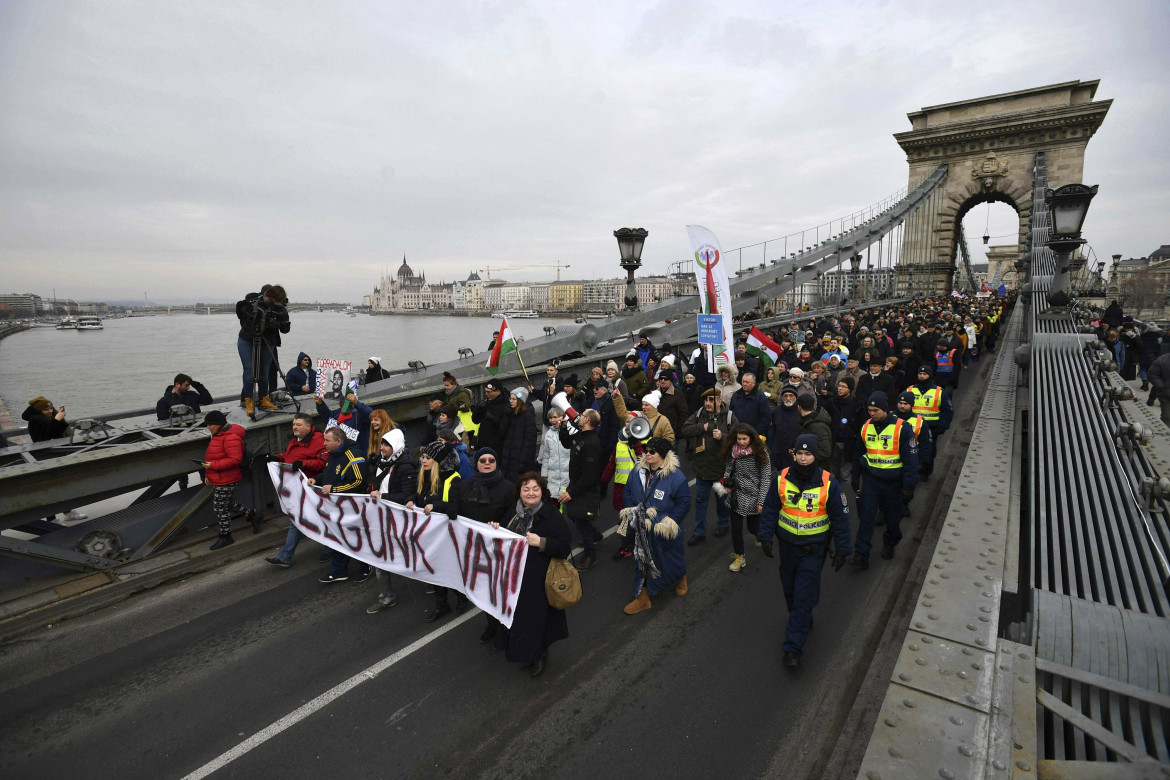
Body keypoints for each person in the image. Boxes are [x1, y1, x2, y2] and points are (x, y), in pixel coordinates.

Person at [758, 433, 851, 668]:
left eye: (807, 454)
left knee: (802, 596)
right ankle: (804, 615)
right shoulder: (780, 478)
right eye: (799, 453)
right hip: (787, 548)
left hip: (813, 549)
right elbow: (770, 508)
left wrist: (842, 549)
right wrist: (765, 535)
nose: (802, 458)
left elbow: (840, 519)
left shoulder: (829, 483)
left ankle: (793, 648)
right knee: (789, 591)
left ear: (815, 456)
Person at [489, 473, 571, 677]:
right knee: (519, 619)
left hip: (538, 581)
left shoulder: (552, 515)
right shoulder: (512, 512)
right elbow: (502, 539)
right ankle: (526, 652)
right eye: (526, 489)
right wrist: (496, 529)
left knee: (537, 620)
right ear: (520, 492)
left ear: (542, 492)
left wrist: (541, 543)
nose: (531, 493)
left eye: (535, 489)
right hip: (514, 577)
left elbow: (563, 546)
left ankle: (540, 654)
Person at [620, 437, 692, 614]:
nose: (647, 454)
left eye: (652, 451)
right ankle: (643, 598)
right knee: (641, 562)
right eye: (646, 451)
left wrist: (670, 522)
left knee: (669, 559)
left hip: (662, 530)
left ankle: (680, 576)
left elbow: (684, 502)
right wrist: (632, 510)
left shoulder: (676, 476)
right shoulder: (636, 472)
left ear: (663, 454)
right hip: (641, 528)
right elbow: (628, 491)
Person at [850, 392, 918, 568]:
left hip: (893, 482)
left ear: (885, 410)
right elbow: (858, 452)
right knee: (866, 518)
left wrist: (908, 486)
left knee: (893, 518)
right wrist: (855, 475)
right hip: (871, 480)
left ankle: (890, 542)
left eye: (875, 410)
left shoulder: (902, 428)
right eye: (869, 410)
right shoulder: (866, 427)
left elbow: (911, 460)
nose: (871, 414)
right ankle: (861, 555)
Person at [453, 447, 515, 642]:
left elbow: (514, 515)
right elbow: (458, 512)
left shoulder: (508, 487)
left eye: (491, 460)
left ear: (496, 464)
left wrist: (500, 526)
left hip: (499, 548)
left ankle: (505, 626)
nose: (487, 463)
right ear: (476, 464)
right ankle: (491, 624)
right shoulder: (467, 486)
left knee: (500, 589)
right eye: (482, 460)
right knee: (483, 589)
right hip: (476, 548)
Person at [359, 428, 418, 613]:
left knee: (413, 554)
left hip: (399, 521)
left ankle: (433, 582)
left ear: (397, 446)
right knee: (380, 559)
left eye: (386, 445)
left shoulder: (406, 466)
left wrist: (383, 496)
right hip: (382, 519)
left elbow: (408, 495)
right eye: (382, 444)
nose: (382, 448)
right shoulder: (382, 463)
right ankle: (387, 597)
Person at [408, 441, 464, 622]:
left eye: (428, 458)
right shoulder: (424, 477)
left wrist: (435, 505)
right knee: (435, 571)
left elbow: (456, 508)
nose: (423, 461)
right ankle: (442, 605)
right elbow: (417, 497)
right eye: (423, 457)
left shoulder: (453, 480)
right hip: (430, 535)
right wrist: (411, 501)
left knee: (449, 571)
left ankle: (461, 598)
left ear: (438, 461)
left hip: (447, 536)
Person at [264, 412, 328, 567]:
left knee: (312, 519)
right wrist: (278, 458)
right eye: (294, 424)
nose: (295, 427)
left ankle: (287, 556)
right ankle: (285, 556)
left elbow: (324, 462)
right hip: (298, 489)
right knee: (298, 519)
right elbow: (289, 456)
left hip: (313, 488)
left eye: (298, 425)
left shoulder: (319, 441)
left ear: (308, 426)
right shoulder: (296, 440)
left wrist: (304, 464)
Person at [313, 426, 374, 584]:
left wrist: (334, 489)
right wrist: (318, 479)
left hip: (352, 508)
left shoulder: (352, 455)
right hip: (336, 508)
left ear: (339, 441)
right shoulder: (333, 454)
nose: (324, 443)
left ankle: (366, 567)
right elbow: (330, 474)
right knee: (337, 538)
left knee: (357, 538)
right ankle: (339, 570)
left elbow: (359, 481)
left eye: (327, 440)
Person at [681, 388, 737, 545]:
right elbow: (685, 430)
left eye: (711, 400)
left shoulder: (730, 417)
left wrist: (723, 437)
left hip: (721, 469)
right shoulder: (699, 414)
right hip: (702, 468)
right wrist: (702, 427)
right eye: (706, 400)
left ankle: (724, 524)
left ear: (720, 401)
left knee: (722, 500)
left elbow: (739, 439)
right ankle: (699, 532)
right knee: (700, 501)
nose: (708, 403)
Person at [719, 424, 772, 573]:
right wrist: (727, 481)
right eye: (739, 439)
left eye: (744, 439)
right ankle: (740, 556)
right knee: (735, 528)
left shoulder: (761, 452)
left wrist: (761, 501)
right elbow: (728, 468)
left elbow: (766, 478)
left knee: (753, 527)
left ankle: (760, 535)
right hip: (736, 494)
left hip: (754, 496)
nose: (741, 442)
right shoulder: (733, 451)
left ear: (751, 438)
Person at [200, 410, 254, 550]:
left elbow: (234, 460)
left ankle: (226, 536)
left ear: (218, 424)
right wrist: (208, 473)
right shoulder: (218, 435)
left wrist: (212, 466)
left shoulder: (231, 437)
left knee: (219, 507)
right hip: (220, 476)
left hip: (228, 478)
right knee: (228, 503)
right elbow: (213, 456)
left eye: (209, 424)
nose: (207, 427)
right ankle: (252, 515)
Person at [235, 284, 290, 416]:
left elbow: (285, 330)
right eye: (268, 297)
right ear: (265, 294)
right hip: (247, 339)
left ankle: (264, 398)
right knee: (249, 369)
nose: (269, 301)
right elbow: (240, 313)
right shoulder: (253, 303)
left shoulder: (280, 309)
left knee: (264, 371)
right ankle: (248, 400)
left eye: (274, 300)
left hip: (267, 341)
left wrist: (280, 322)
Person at [559, 408, 603, 570]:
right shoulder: (581, 435)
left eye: (583, 415)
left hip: (585, 488)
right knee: (572, 514)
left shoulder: (591, 443)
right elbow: (566, 443)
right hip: (577, 484)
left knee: (580, 520)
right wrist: (564, 428)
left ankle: (590, 555)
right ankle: (595, 534)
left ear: (587, 421)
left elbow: (589, 475)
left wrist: (571, 493)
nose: (579, 416)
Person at [909, 365, 953, 459]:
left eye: (924, 374)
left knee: (929, 452)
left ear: (930, 376)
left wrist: (942, 426)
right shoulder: (910, 390)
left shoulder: (939, 391)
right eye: (920, 374)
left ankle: (925, 471)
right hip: (912, 427)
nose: (921, 376)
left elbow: (947, 411)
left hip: (931, 428)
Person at [824, 377, 861, 482]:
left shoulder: (856, 404)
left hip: (848, 442)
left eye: (843, 387)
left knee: (846, 475)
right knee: (831, 474)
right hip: (833, 441)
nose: (840, 389)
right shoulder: (831, 403)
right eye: (839, 386)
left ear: (850, 389)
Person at [316, 390, 375, 454]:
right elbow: (327, 417)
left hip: (357, 455)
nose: (339, 403)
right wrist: (320, 404)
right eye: (339, 401)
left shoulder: (360, 415)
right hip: (339, 455)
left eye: (343, 401)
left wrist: (357, 403)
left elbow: (370, 414)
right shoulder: (338, 413)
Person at [896, 391, 935, 483]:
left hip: (911, 459)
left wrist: (922, 462)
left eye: (906, 404)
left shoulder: (919, 421)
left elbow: (926, 444)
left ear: (911, 405)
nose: (902, 406)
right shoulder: (889, 418)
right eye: (900, 403)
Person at [500, 386, 537, 482]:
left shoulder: (528, 417)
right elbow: (502, 433)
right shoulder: (511, 414)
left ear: (520, 401)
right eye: (510, 398)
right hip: (509, 459)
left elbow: (530, 442)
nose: (511, 401)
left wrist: (522, 461)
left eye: (514, 399)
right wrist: (506, 417)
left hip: (519, 462)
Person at [538, 407, 572, 497]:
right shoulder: (548, 434)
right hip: (552, 477)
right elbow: (546, 455)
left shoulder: (571, 431)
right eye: (550, 418)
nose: (552, 420)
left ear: (562, 417)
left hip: (568, 476)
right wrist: (544, 473)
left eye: (555, 417)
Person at [729, 372, 772, 439]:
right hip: (736, 434)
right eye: (743, 382)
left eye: (747, 382)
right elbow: (730, 413)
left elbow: (766, 418)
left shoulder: (761, 397)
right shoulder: (736, 395)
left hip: (753, 435)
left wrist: (755, 432)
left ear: (754, 384)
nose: (744, 384)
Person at [796, 394, 833, 472]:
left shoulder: (817, 426)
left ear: (799, 407)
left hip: (818, 470)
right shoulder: (806, 422)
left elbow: (825, 452)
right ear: (814, 406)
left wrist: (804, 454)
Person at [472, 379, 510, 453]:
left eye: (488, 392)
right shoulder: (486, 402)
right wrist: (477, 410)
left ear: (498, 391)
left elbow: (505, 429)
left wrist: (492, 418)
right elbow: (475, 421)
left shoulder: (506, 405)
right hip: (483, 443)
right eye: (485, 391)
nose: (486, 394)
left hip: (497, 446)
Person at [770, 384, 802, 474]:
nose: (788, 398)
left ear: (795, 397)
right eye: (785, 396)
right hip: (779, 452)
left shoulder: (800, 411)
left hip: (796, 452)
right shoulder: (776, 411)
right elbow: (774, 430)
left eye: (791, 396)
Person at [653, 372, 689, 445]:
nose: (663, 380)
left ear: (671, 381)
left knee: (671, 454)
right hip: (655, 431)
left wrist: (678, 431)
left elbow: (683, 414)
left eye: (666, 379)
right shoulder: (654, 394)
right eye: (661, 378)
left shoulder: (678, 394)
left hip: (671, 431)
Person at [1148, 350, 1170, 425]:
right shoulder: (1162, 360)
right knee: (1167, 418)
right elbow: (1153, 375)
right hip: (1166, 396)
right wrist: (1162, 387)